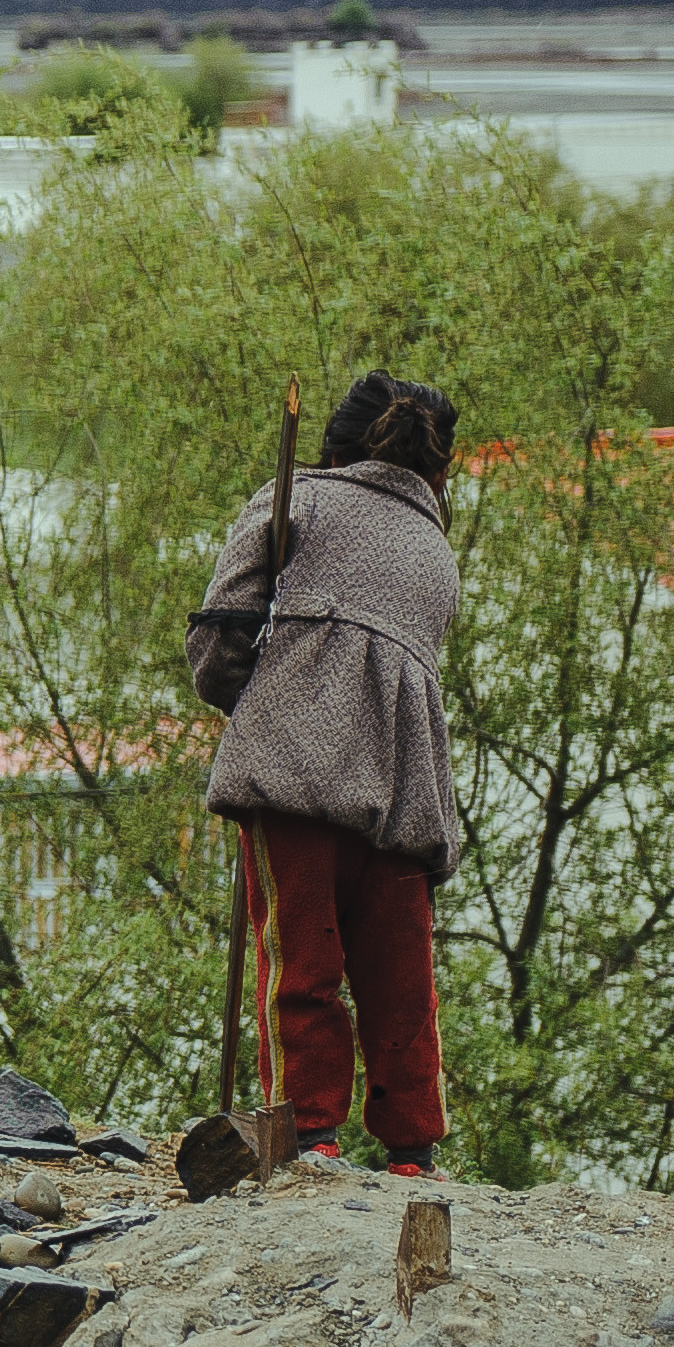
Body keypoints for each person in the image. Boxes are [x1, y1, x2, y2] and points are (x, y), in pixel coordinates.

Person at [188, 367, 465, 1175]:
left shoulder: (293, 500)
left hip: (293, 774)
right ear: (434, 465)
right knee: (400, 978)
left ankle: (308, 1139)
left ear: (336, 445)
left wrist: (252, 703)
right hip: (405, 791)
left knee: (300, 966)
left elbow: (216, 641)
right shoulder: (436, 552)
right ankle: (411, 1148)